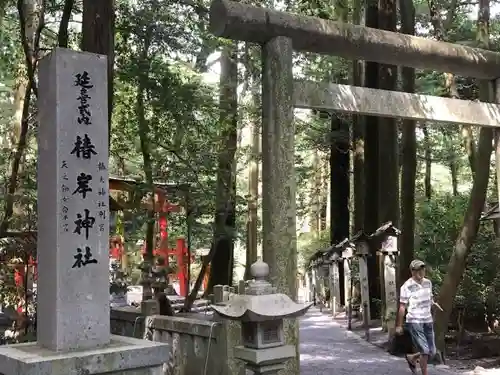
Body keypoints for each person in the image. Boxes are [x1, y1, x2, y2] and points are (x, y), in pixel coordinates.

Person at [396, 260, 442, 375]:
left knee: (432, 350)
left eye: (422, 269)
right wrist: (399, 325)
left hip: (427, 319)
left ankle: (412, 358)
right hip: (414, 320)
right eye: (418, 270)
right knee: (425, 350)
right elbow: (402, 306)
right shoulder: (406, 286)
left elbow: (429, 297)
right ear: (412, 271)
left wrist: (433, 303)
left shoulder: (428, 283)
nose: (421, 272)